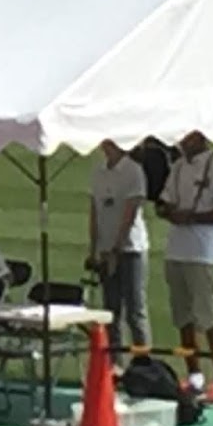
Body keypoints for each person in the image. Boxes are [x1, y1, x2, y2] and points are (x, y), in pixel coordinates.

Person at [156, 130, 213, 405]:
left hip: (204, 254)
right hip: (177, 251)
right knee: (184, 318)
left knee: (209, 318)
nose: (181, 141)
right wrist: (169, 212)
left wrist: (192, 217)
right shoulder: (179, 167)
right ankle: (194, 377)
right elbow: (165, 201)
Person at [86, 139, 152, 364]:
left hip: (131, 248)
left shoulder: (133, 171)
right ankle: (115, 365)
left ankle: (144, 365)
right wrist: (95, 248)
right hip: (106, 249)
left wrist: (117, 247)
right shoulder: (99, 172)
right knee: (111, 310)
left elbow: (130, 213)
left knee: (135, 309)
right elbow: (94, 212)